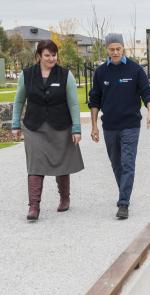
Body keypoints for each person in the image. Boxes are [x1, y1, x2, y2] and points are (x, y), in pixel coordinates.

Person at [89, 33, 150, 219]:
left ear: (123, 49)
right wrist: (94, 126)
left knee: (127, 163)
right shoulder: (100, 73)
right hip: (109, 127)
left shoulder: (135, 70)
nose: (115, 52)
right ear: (107, 49)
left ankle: (123, 203)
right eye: (111, 49)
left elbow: (148, 94)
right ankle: (124, 192)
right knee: (116, 164)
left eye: (118, 49)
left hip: (130, 125)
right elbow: (94, 100)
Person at [12, 40, 84, 221]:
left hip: (61, 125)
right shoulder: (26, 75)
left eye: (54, 55)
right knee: (35, 164)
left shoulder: (66, 75)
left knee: (62, 162)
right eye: (47, 55)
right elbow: (19, 101)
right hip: (34, 126)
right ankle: (34, 206)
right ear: (39, 56)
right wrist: (15, 124)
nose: (51, 58)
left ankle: (64, 198)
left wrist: (76, 128)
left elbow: (73, 103)